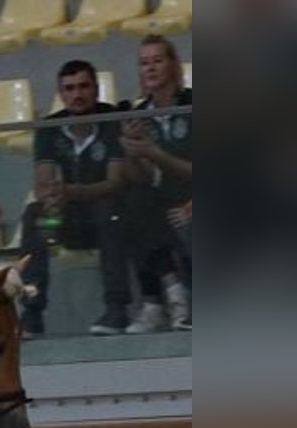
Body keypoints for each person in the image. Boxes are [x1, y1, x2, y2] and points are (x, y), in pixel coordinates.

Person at [20, 59, 131, 337]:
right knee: (36, 216)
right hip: (65, 221)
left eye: (83, 86)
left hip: (103, 219)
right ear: (61, 93)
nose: (77, 94)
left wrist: (71, 191)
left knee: (109, 209)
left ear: (96, 89)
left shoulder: (112, 120)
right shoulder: (49, 128)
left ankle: (117, 308)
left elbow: (116, 182)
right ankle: (32, 311)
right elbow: (43, 181)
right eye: (69, 89)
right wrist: (51, 199)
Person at [121, 34, 193, 333]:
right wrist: (134, 152)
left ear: (173, 65)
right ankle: (166, 297)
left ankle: (172, 300)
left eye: (157, 61)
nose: (149, 68)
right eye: (143, 63)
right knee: (133, 201)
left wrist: (154, 152)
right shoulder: (140, 113)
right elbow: (142, 179)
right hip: (164, 202)